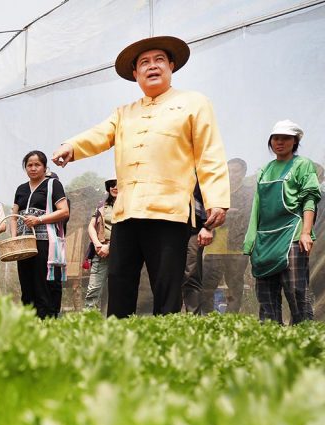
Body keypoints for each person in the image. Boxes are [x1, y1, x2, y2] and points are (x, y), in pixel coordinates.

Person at [52, 35, 230, 317]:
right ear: (135, 73)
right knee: (119, 282)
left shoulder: (194, 103)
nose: (152, 66)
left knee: (167, 287)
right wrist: (71, 146)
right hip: (127, 212)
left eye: (159, 60)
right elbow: (100, 134)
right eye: (144, 62)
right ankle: (119, 336)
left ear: (171, 66)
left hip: (169, 211)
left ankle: (164, 338)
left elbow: (209, 152)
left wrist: (216, 199)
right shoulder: (124, 113)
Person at [243, 120, 321, 324]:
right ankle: (270, 335)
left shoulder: (302, 165)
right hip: (266, 238)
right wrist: (251, 240)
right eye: (275, 138)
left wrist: (306, 232)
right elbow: (257, 206)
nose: (279, 142)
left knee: (296, 290)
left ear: (295, 141)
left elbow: (310, 198)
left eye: (285, 138)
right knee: (266, 294)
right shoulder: (264, 170)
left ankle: (304, 334)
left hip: (292, 234)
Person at [12, 150, 70, 318]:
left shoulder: (53, 185)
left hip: (44, 242)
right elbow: (14, 216)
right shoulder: (21, 189)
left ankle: (45, 320)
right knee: (26, 283)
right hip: (24, 244)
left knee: (42, 284)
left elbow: (64, 211)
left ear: (45, 167)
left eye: (37, 164)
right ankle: (28, 320)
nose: (33, 168)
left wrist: (39, 220)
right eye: (29, 165)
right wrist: (15, 238)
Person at [200, 158, 253, 313]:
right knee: (206, 286)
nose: (231, 174)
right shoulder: (217, 193)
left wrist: (227, 215)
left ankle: (231, 318)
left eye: (236, 171)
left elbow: (249, 217)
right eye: (228, 171)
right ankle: (207, 317)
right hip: (214, 247)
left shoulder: (248, 194)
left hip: (237, 248)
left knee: (235, 286)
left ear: (243, 173)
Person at [84, 178, 117, 310]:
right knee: (93, 290)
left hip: (121, 252)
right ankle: (89, 319)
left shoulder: (130, 206)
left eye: (118, 184)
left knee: (120, 290)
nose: (115, 187)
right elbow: (91, 226)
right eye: (112, 185)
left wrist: (110, 247)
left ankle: (118, 320)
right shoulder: (102, 205)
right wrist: (98, 245)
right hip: (101, 252)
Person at [181, 184, 214, 313]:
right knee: (168, 274)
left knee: (191, 274)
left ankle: (193, 317)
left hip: (194, 227)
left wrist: (207, 226)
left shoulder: (199, 173)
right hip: (167, 227)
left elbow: (208, 195)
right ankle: (168, 317)